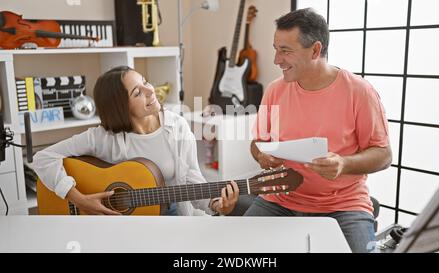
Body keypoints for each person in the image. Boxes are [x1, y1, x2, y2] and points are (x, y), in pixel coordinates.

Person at [247, 8, 392, 253]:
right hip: (280, 198)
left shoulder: (359, 92)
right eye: (276, 49)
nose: (276, 60)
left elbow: (383, 155)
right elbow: (257, 141)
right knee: (232, 247)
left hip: (344, 204)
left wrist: (343, 164)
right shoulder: (275, 90)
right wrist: (261, 154)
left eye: (285, 51)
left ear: (315, 50)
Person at [33, 66, 239, 216]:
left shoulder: (177, 127)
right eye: (137, 92)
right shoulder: (102, 137)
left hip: (171, 217)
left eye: (145, 81)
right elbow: (43, 158)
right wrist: (80, 200)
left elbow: (192, 180)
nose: (151, 91)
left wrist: (216, 205)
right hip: (122, 227)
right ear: (121, 107)